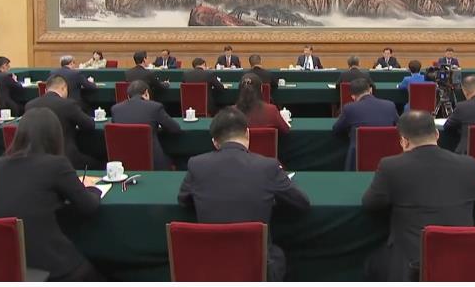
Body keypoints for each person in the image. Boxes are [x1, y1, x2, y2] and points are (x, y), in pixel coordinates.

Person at [178, 107, 310, 282]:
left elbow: (183, 200)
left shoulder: (196, 164)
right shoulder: (268, 166)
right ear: (248, 134)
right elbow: (301, 203)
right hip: (257, 268)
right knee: (278, 256)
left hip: (209, 266)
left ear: (215, 142)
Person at [362, 110, 475, 282]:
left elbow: (371, 203)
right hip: (459, 257)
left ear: (404, 141)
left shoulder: (391, 166)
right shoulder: (468, 164)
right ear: (437, 134)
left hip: (412, 262)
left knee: (371, 264)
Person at [0, 108, 106, 281]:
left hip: (8, 262)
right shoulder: (56, 165)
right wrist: (92, 189)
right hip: (51, 263)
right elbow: (89, 206)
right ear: (55, 137)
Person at [24, 75, 101, 169]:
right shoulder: (68, 104)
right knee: (100, 164)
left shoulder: (30, 105)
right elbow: (89, 125)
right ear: (64, 88)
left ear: (46, 90)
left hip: (36, 157)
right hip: (66, 157)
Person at [111, 80, 182, 170]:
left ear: (128, 96)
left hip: (123, 163)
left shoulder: (115, 109)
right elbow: (175, 128)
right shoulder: (154, 107)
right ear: (146, 93)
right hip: (153, 163)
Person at [332, 78, 399, 171]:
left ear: (353, 96)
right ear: (370, 90)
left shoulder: (349, 108)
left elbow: (336, 130)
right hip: (387, 156)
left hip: (358, 159)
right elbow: (399, 127)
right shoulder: (390, 105)